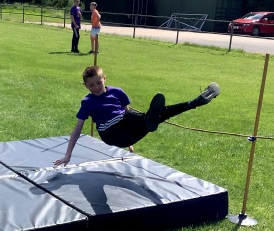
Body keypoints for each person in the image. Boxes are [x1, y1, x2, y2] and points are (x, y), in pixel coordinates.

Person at [54, 65, 220, 166]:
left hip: (126, 135)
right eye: (91, 85)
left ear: (104, 79)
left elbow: (127, 113)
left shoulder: (117, 92)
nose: (96, 87)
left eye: (99, 82)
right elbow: (77, 129)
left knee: (156, 116)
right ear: (85, 86)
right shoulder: (88, 102)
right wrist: (68, 154)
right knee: (147, 117)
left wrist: (130, 143)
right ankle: (150, 119)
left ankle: (194, 103)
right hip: (109, 133)